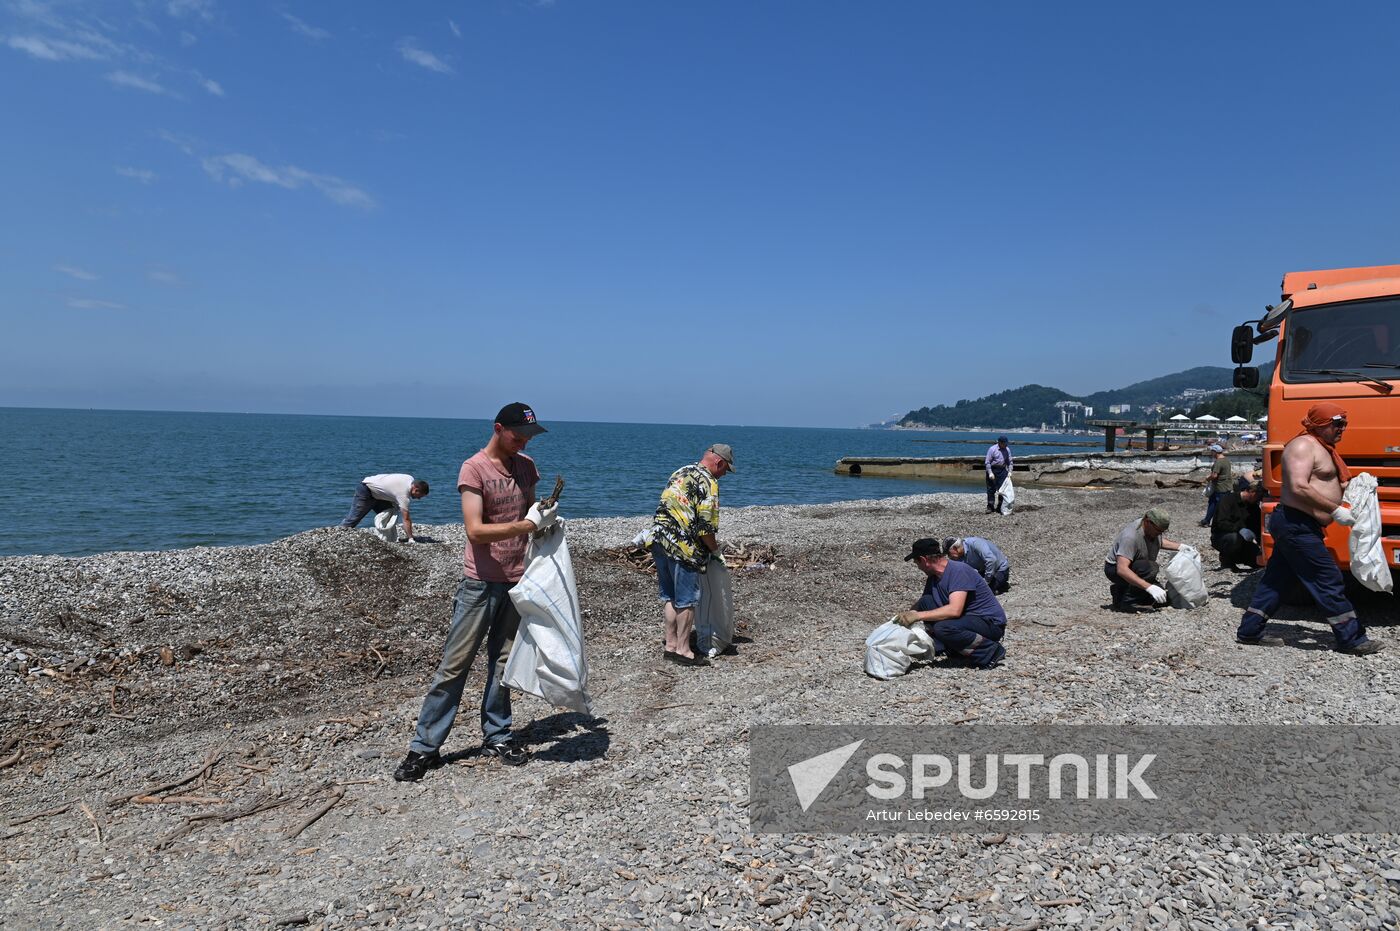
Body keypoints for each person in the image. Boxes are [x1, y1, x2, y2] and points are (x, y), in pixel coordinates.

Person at [394, 403, 558, 782]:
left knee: (503, 663)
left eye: (528, 437)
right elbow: (475, 530)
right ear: (498, 428)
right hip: (480, 583)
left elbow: (529, 514)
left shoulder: (527, 466)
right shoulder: (474, 468)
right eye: (517, 435)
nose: (523, 442)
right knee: (455, 665)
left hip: (519, 580)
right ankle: (424, 748)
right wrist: (526, 524)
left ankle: (497, 735)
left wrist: (543, 519)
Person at [1237, 403, 1381, 654]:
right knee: (1328, 578)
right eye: (1337, 424)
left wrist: (1358, 487)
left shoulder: (1323, 448)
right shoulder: (1303, 446)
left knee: (1277, 580)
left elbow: (1324, 482)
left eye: (1344, 424)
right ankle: (1351, 639)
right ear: (1321, 424)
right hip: (1296, 523)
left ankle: (1250, 631)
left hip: (1302, 523)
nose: (1342, 429)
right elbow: (1299, 487)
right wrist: (1335, 510)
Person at [650, 444, 735, 667]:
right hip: (683, 546)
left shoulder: (681, 471)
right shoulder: (708, 482)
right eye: (725, 469)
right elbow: (705, 527)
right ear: (719, 462)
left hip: (659, 539)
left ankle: (670, 645)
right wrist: (715, 551)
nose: (724, 474)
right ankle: (683, 650)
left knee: (670, 597)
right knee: (687, 600)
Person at [894, 538, 1006, 668]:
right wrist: (907, 615)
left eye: (916, 562)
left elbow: (955, 610)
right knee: (926, 602)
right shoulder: (934, 577)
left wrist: (917, 616)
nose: (918, 567)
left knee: (943, 628)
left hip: (989, 623)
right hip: (967, 619)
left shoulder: (959, 571)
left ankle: (990, 651)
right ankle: (950, 647)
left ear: (924, 560)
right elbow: (923, 603)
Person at [1104, 507, 1184, 611]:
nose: (1159, 534)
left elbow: (1159, 541)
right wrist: (1148, 587)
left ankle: (1120, 591)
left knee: (1163, 600)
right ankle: (1129, 603)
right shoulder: (1130, 537)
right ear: (1147, 521)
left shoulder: (1151, 530)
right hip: (1114, 569)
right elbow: (1122, 569)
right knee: (1150, 568)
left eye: (1162, 531)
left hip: (1136, 567)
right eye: (1158, 530)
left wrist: (1180, 547)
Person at [340, 473, 428, 542]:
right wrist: (411, 539)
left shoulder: (409, 478)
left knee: (390, 512)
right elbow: (406, 519)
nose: (419, 498)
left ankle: (387, 537)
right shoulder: (403, 495)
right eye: (419, 495)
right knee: (354, 519)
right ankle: (339, 534)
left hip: (379, 494)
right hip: (366, 490)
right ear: (415, 489)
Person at [1211, 482, 1263, 571]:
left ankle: (1239, 557)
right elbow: (1221, 523)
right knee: (1233, 539)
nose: (1259, 500)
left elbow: (1258, 527)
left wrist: (1262, 545)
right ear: (1251, 491)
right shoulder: (1228, 500)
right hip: (1222, 536)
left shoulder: (1254, 507)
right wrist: (1240, 529)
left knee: (1258, 562)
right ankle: (1226, 560)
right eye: (1258, 497)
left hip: (1244, 540)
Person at [944, 536, 1011, 593]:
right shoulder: (958, 557)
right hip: (983, 570)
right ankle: (999, 585)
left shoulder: (974, 543)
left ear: (955, 548)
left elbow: (991, 560)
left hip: (999, 569)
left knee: (984, 593)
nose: (949, 557)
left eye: (949, 553)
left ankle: (1001, 584)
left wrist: (986, 582)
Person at [1197, 445, 1232, 527]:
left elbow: (1214, 475)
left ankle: (1217, 522)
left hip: (1220, 487)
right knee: (1213, 503)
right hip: (1227, 485)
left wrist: (1207, 479)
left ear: (1215, 452)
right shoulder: (1226, 460)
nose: (1211, 453)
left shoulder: (1218, 462)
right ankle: (1206, 521)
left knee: (1218, 505)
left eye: (1212, 452)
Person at [985, 436, 1013, 514]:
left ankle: (1000, 507)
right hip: (993, 469)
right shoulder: (992, 449)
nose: (1006, 445)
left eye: (1007, 443)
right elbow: (987, 462)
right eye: (1005, 443)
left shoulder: (1007, 450)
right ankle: (990, 507)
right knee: (991, 489)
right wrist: (990, 472)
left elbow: (1010, 461)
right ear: (1000, 443)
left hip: (1002, 470)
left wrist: (1010, 471)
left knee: (1002, 489)